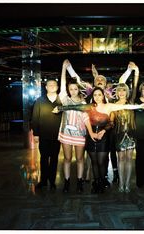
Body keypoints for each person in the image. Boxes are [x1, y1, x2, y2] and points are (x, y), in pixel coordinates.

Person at [53, 87, 144, 193]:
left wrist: (140, 106)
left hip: (103, 138)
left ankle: (102, 182)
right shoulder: (90, 106)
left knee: (101, 162)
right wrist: (60, 108)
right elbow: (75, 107)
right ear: (93, 97)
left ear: (103, 96)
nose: (97, 97)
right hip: (91, 137)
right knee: (94, 162)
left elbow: (125, 106)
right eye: (95, 95)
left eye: (99, 94)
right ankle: (97, 183)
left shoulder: (109, 106)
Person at [58, 59, 97, 193]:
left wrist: (91, 133)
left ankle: (79, 182)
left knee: (80, 158)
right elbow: (62, 84)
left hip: (80, 134)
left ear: (78, 89)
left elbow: (86, 118)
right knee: (67, 158)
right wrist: (64, 68)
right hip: (66, 133)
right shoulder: (64, 99)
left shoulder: (84, 102)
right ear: (68, 90)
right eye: (71, 89)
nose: (73, 91)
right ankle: (67, 182)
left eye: (75, 88)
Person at [110, 63, 139, 193]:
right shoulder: (113, 105)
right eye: (119, 90)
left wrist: (136, 71)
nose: (121, 92)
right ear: (117, 92)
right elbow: (111, 122)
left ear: (127, 92)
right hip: (119, 135)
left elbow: (136, 85)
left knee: (129, 159)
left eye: (124, 90)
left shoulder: (131, 102)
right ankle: (121, 183)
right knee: (120, 159)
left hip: (131, 134)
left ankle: (127, 184)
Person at [31, 79, 62, 190]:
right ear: (46, 87)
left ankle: (52, 181)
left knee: (54, 159)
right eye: (50, 84)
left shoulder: (61, 100)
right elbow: (35, 118)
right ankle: (43, 181)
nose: (52, 86)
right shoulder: (40, 100)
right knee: (44, 158)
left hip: (57, 135)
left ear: (57, 87)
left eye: (54, 84)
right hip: (43, 135)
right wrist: (35, 134)